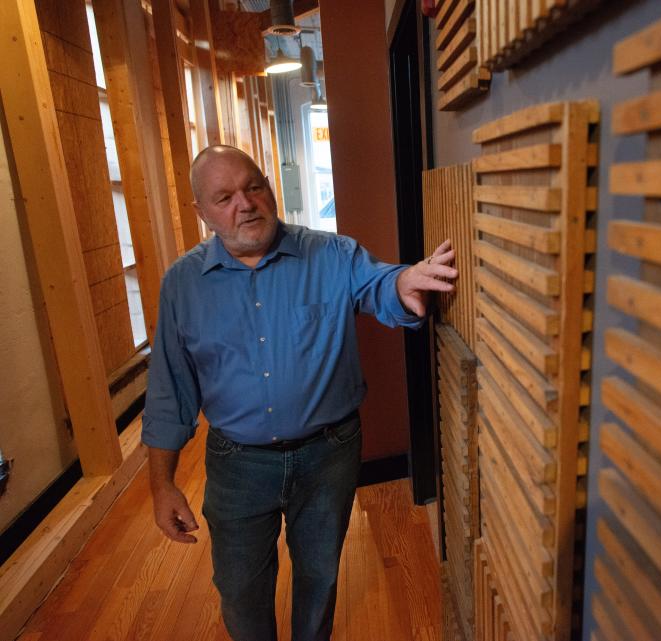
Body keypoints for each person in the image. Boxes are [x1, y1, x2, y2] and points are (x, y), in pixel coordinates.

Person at [142, 145, 457, 641]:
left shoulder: (332, 254)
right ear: (201, 213)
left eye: (253, 186)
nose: (245, 203)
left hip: (327, 454)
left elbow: (379, 284)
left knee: (320, 575)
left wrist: (403, 282)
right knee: (241, 588)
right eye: (224, 197)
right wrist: (161, 486)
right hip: (236, 463)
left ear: (269, 187)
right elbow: (169, 391)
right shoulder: (182, 284)